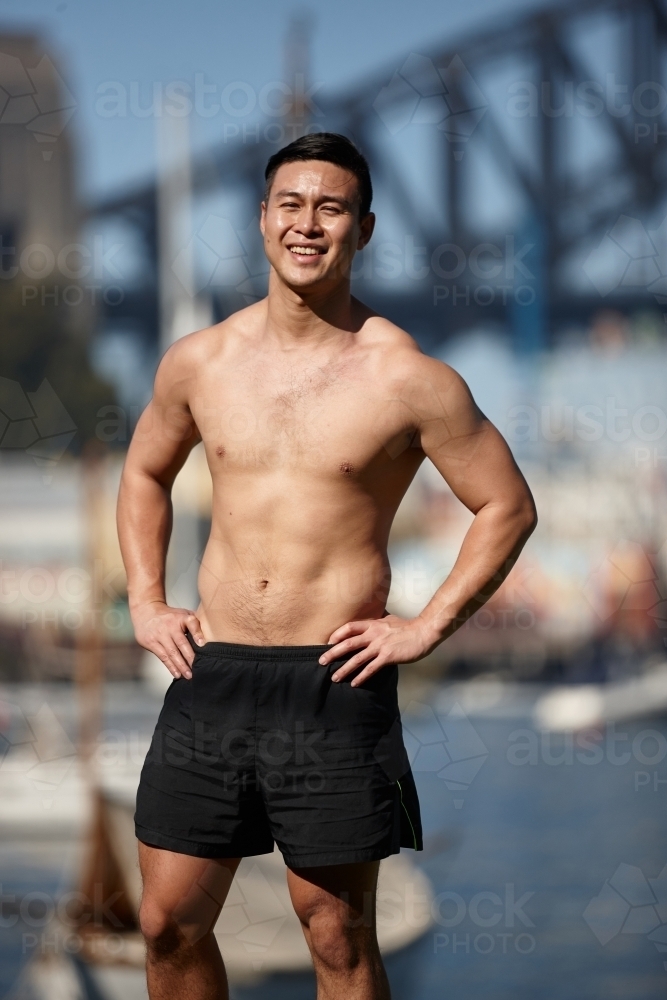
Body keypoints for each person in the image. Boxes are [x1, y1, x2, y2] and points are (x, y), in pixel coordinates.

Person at [117, 132, 537, 1000]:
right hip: (213, 669)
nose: (308, 225)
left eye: (331, 208)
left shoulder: (409, 377)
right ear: (263, 220)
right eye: (291, 205)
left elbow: (506, 506)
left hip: (333, 682)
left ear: (365, 228)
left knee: (335, 933)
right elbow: (145, 471)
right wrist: (145, 600)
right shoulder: (201, 361)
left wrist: (423, 626)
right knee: (165, 925)